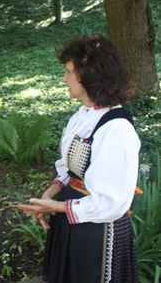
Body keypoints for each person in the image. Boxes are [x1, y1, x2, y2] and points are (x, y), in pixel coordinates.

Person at [18, 34, 140, 283]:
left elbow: (112, 202)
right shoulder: (82, 116)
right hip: (72, 221)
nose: (64, 78)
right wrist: (48, 196)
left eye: (68, 71)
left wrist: (58, 207)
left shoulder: (116, 128)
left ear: (88, 75)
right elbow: (68, 170)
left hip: (98, 232)